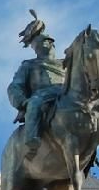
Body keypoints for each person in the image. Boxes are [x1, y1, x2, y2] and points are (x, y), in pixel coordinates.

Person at [7, 11, 67, 144]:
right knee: (34, 103)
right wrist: (22, 101)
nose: (45, 44)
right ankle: (31, 139)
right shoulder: (29, 65)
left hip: (66, 92)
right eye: (39, 42)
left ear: (52, 44)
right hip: (43, 96)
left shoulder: (67, 63)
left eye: (47, 41)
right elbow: (14, 87)